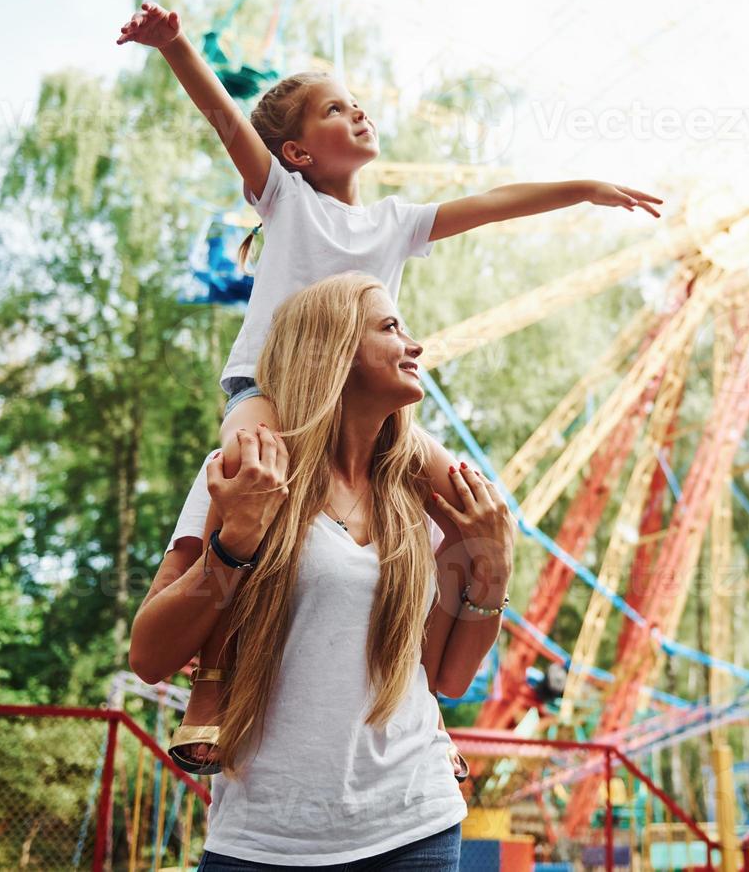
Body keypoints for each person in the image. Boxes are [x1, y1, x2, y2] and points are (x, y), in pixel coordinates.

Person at [116, 2, 659, 766]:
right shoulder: (285, 199)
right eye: (335, 108)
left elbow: (496, 205)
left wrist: (581, 188)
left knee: (468, 498)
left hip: (357, 403)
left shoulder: (395, 225)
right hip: (270, 386)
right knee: (246, 482)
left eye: (355, 102)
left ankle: (417, 709)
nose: (357, 110)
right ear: (299, 152)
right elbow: (225, 120)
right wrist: (173, 44)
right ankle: (212, 682)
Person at [130, 273, 515, 868]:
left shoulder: (416, 500)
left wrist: (493, 563)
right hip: (265, 839)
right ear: (330, 349)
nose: (414, 345)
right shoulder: (244, 474)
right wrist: (236, 541)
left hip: (416, 823)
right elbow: (150, 654)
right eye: (390, 328)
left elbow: (448, 676)